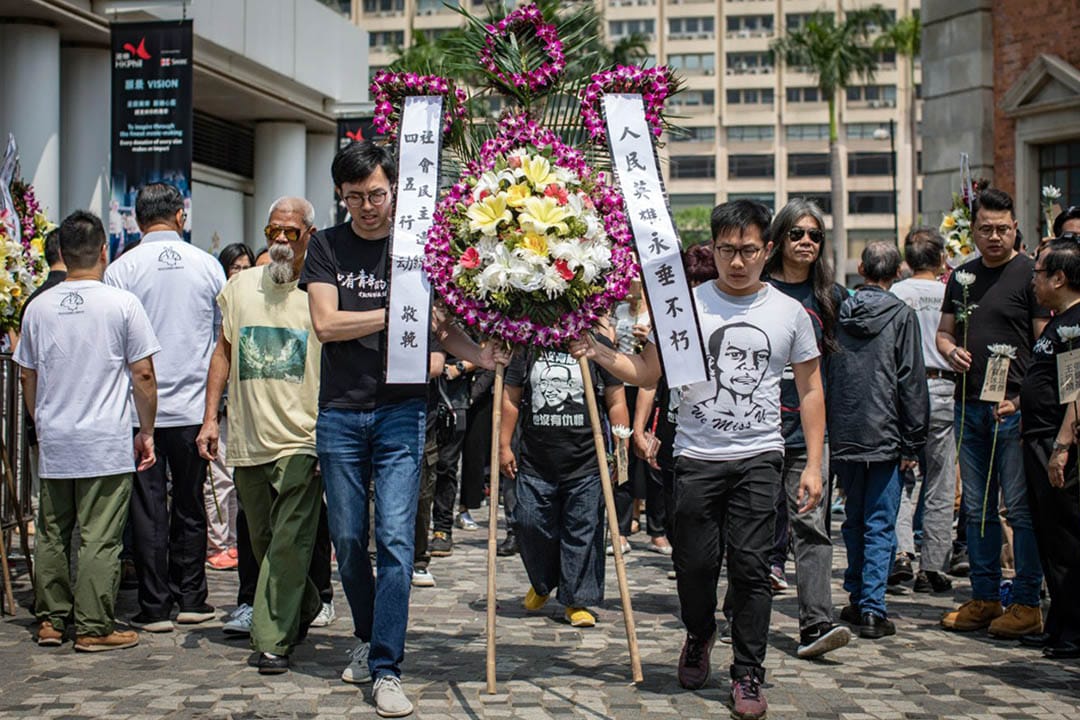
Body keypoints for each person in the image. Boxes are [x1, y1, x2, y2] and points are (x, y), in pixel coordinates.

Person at [572, 200, 825, 720]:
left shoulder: (788, 312)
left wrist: (816, 463)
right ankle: (700, 632)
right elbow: (646, 373)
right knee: (695, 566)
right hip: (694, 457)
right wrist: (598, 352)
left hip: (759, 455)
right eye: (727, 250)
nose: (737, 262)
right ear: (713, 248)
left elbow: (812, 388)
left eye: (749, 250)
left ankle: (749, 672)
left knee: (753, 569)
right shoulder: (682, 305)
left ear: (767, 250)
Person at [299, 140, 506, 718]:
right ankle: (367, 636)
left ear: (395, 191)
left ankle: (387, 664)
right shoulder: (326, 246)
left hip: (402, 410)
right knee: (345, 539)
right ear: (341, 197)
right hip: (340, 411)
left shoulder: (419, 249)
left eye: (378, 194)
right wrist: (396, 313)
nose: (368, 206)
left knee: (393, 540)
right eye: (356, 196)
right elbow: (325, 323)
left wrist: (482, 355)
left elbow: (444, 332)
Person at [17, 210, 159, 651]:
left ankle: (51, 620)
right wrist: (147, 429)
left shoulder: (38, 307)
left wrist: (40, 422)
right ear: (104, 251)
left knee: (55, 533)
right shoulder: (121, 303)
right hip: (104, 439)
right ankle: (95, 625)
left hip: (57, 436)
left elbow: (26, 375)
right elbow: (144, 375)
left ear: (60, 253)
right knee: (101, 536)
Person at [196, 198, 324, 674]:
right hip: (247, 438)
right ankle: (303, 603)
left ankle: (271, 640)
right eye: (275, 231)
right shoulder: (239, 287)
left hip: (302, 438)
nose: (283, 241)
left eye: (293, 232)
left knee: (289, 540)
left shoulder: (320, 291)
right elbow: (223, 355)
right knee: (265, 540)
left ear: (310, 234)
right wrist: (211, 418)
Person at [104, 182, 226, 633]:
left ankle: (154, 606)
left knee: (148, 507)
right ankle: (192, 596)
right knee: (191, 504)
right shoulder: (208, 266)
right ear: (180, 217)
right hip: (196, 408)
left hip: (140, 412)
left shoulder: (121, 269)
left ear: (137, 221)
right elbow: (221, 337)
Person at [937, 188, 1050, 638]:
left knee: (1018, 509)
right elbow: (944, 333)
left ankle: (1025, 600)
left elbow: (1045, 344)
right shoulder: (961, 277)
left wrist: (1022, 399)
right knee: (978, 509)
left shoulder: (1030, 275)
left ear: (1016, 228)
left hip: (1013, 409)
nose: (995, 237)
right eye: (986, 229)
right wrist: (950, 352)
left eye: (1003, 229)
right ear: (974, 229)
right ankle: (983, 596)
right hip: (969, 406)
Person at [757, 198, 851, 658]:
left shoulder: (831, 298)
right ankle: (744, 614)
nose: (807, 242)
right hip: (753, 434)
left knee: (812, 528)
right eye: (798, 234)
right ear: (779, 239)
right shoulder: (755, 289)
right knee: (751, 532)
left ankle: (816, 623)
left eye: (815, 235)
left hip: (806, 438)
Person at [828, 241, 928, 639]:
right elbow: (910, 380)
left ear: (862, 269)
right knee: (880, 521)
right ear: (897, 273)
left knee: (853, 519)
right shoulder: (902, 316)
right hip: (886, 431)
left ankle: (856, 597)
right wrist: (913, 441)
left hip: (847, 429)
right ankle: (872, 606)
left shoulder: (839, 312)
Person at [499, 339, 629, 628]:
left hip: (586, 462)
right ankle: (543, 582)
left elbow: (617, 399)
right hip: (535, 461)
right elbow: (510, 397)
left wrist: (620, 453)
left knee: (582, 530)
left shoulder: (594, 344)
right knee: (528, 521)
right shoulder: (527, 345)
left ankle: (576, 599)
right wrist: (503, 444)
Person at [889, 228, 956, 594]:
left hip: (904, 392)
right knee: (941, 480)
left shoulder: (897, 294)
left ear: (907, 261)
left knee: (901, 476)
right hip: (944, 386)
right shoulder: (951, 292)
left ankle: (902, 552)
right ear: (941, 259)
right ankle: (933, 566)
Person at [1023, 237, 1080, 658]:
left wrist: (1061, 446)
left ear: (1059, 278)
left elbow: (1076, 392)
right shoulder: (1061, 320)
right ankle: (1059, 623)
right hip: (1037, 436)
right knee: (1050, 537)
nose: (1034, 281)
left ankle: (1074, 630)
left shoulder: (1076, 325)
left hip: (1057, 443)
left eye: (1039, 272)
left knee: (1067, 539)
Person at [204, 243, 254, 572]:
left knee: (239, 478)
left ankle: (235, 540)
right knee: (219, 477)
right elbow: (219, 354)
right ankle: (218, 541)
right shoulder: (220, 305)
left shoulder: (251, 301)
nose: (241, 273)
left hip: (245, 406)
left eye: (246, 267)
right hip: (223, 404)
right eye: (235, 267)